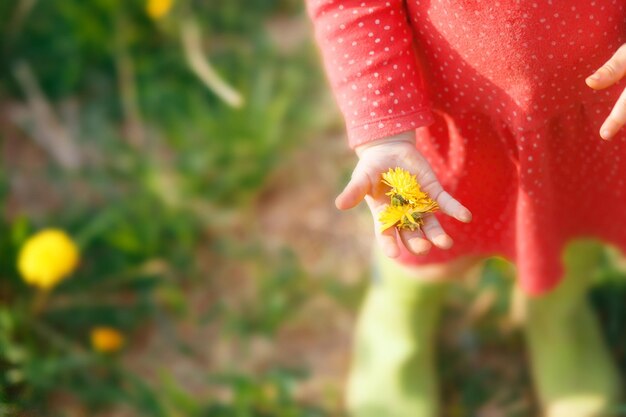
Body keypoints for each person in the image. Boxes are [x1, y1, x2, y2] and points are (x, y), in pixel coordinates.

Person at [306, 1, 626, 416]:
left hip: (590, 116)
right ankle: (398, 320)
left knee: (571, 223)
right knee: (423, 235)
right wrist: (383, 135)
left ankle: (558, 314)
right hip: (445, 124)